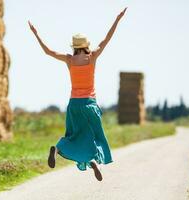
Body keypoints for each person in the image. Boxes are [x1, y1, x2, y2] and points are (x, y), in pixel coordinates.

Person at [28, 7, 127, 181]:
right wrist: (117, 19)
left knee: (73, 136)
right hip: (90, 104)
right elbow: (107, 39)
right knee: (93, 136)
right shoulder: (92, 57)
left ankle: (58, 150)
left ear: (74, 47)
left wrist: (36, 34)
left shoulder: (69, 60)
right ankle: (93, 160)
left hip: (74, 104)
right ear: (86, 45)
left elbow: (48, 52)